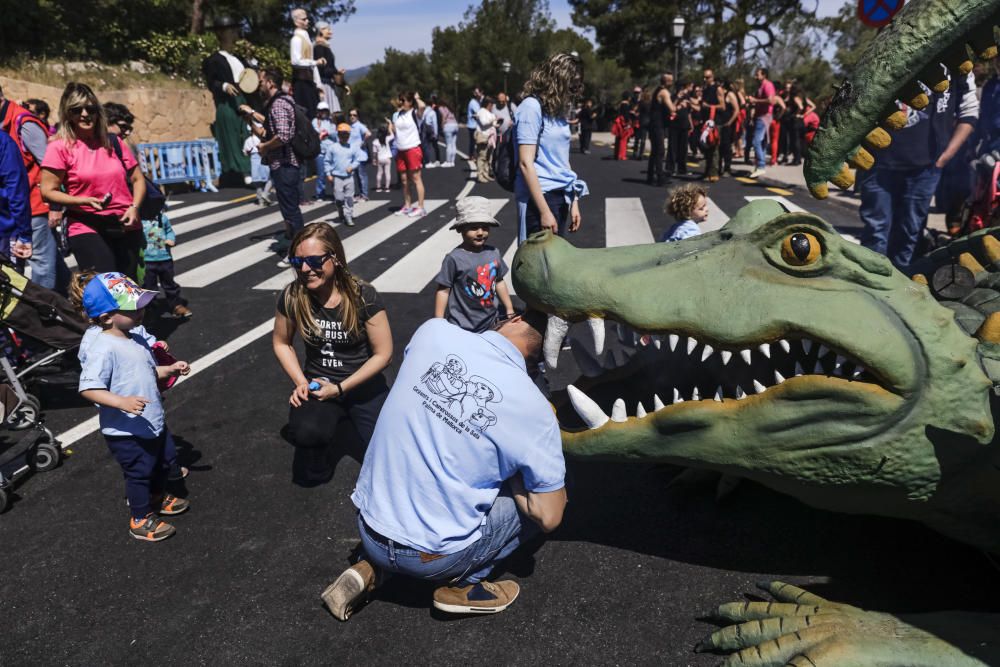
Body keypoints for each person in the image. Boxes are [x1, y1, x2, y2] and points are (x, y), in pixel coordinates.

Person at [321, 305, 565, 619]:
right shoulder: (536, 410)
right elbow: (551, 517)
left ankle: (375, 567)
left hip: (370, 528)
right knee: (549, 490)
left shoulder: (432, 331)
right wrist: (517, 481)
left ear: (513, 319)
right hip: (432, 558)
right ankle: (466, 584)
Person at [272, 224, 393, 485]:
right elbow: (282, 343)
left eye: (315, 260)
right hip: (318, 385)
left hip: (363, 385)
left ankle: (350, 417)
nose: (305, 269)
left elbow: (383, 355)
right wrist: (301, 383)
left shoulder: (363, 295)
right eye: (298, 261)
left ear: (335, 258)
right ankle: (319, 455)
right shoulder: (293, 296)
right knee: (307, 434)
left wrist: (339, 389)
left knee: (391, 455)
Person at [77, 272, 191, 542]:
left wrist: (170, 369)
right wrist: (121, 401)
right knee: (139, 471)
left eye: (140, 304)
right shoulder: (102, 348)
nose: (141, 311)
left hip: (152, 420)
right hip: (125, 430)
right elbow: (88, 387)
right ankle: (140, 517)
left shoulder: (136, 338)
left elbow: (147, 371)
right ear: (106, 317)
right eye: (132, 307)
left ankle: (156, 496)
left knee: (165, 462)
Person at [859, 71, 978, 269]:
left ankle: (901, 288)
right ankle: (869, 285)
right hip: (879, 163)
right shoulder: (886, 56)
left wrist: (946, 155)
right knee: (876, 231)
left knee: (909, 233)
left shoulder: (959, 62)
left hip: (926, 167)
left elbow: (969, 113)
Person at [40, 83, 146, 279]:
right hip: (86, 224)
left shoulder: (112, 141)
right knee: (107, 287)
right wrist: (83, 200)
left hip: (125, 223)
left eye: (91, 108)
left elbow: (138, 179)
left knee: (130, 290)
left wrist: (134, 207)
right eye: (77, 109)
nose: (85, 114)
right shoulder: (59, 147)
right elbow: (47, 190)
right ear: (67, 113)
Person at [515, 53, 589, 242]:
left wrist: (573, 200)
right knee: (539, 267)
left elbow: (562, 161)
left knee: (555, 265)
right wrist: (545, 211)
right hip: (540, 197)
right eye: (573, 83)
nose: (576, 89)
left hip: (560, 194)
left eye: (578, 84)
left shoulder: (556, 111)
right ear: (558, 79)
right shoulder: (531, 107)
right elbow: (525, 163)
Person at [239, 69, 303, 259]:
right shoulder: (276, 104)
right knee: (288, 210)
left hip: (285, 165)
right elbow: (268, 132)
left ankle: (300, 253)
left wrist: (265, 147)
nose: (259, 85)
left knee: (291, 211)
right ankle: (293, 243)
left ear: (271, 83)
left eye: (262, 81)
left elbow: (282, 136)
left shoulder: (279, 105)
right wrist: (250, 121)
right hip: (280, 166)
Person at [434, 196, 514, 333]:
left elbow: (499, 281)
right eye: (474, 228)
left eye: (484, 227)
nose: (480, 233)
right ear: (460, 229)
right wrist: (438, 322)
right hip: (461, 326)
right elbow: (443, 290)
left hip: (491, 322)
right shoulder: (454, 258)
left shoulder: (493, 253)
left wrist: (509, 308)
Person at [1, 85, 52, 282]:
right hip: (14, 218)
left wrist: (55, 204)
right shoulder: (4, 138)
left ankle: (52, 309)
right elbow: (14, 185)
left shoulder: (23, 122)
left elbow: (49, 165)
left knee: (43, 263)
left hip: (32, 207)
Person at [201, 15, 252, 185]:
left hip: (242, 98)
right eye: (230, 30)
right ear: (222, 33)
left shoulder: (240, 58)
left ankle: (249, 169)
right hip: (227, 103)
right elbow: (211, 82)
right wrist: (223, 86)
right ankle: (242, 171)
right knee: (231, 135)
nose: (234, 33)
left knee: (246, 132)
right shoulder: (213, 60)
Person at [142, 210, 192, 319]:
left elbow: (169, 230)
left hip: (164, 258)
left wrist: (171, 239)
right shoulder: (138, 219)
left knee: (170, 284)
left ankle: (176, 305)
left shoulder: (161, 218)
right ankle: (150, 310)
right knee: (149, 286)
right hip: (147, 259)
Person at [389, 92, 427, 218]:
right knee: (404, 181)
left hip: (413, 149)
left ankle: (421, 207)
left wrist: (417, 98)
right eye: (400, 100)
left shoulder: (415, 114)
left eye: (403, 100)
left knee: (416, 179)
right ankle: (407, 205)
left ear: (410, 102)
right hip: (401, 150)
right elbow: (395, 131)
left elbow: (422, 106)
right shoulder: (397, 115)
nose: (401, 102)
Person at [324, 122, 365, 227]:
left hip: (349, 177)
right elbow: (327, 161)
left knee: (349, 197)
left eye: (347, 134)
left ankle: (348, 216)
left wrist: (352, 166)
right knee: (339, 198)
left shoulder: (352, 147)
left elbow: (357, 159)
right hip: (337, 177)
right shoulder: (332, 147)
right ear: (338, 135)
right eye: (342, 134)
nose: (345, 136)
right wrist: (328, 173)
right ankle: (340, 210)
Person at [0, 130, 32, 261]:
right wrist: (24, 233)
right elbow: (16, 188)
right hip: (5, 231)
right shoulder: (3, 141)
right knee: (11, 280)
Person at [289, 7, 324, 119]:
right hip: (301, 83)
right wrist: (314, 62)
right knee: (306, 115)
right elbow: (295, 61)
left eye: (307, 19)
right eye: (304, 19)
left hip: (309, 83)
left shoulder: (306, 38)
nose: (307, 21)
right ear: (296, 22)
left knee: (314, 113)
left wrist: (318, 84)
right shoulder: (296, 39)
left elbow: (312, 64)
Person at [746, 67, 777, 178]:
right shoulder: (760, 86)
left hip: (764, 116)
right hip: (760, 116)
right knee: (762, 142)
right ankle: (759, 166)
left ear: (764, 75)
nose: (755, 76)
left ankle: (761, 166)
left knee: (756, 142)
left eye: (757, 74)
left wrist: (755, 100)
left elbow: (770, 100)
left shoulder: (767, 85)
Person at [313, 21, 347, 114]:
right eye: (328, 29)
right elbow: (322, 70)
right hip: (324, 86)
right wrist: (335, 72)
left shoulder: (324, 47)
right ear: (321, 31)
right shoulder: (319, 48)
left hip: (328, 85)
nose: (330, 31)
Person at [702, 69, 725, 182]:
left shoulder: (718, 89)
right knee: (706, 147)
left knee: (714, 147)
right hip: (706, 121)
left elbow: (723, 106)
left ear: (712, 77)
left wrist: (709, 106)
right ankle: (707, 171)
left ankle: (714, 172)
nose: (705, 79)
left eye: (708, 77)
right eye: (704, 77)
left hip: (716, 121)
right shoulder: (705, 89)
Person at [242, 123, 274, 206]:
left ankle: (260, 199)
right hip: (263, 158)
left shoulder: (248, 140)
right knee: (270, 178)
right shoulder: (263, 139)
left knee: (257, 181)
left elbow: (245, 152)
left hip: (254, 159)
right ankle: (265, 194)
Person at [311, 102, 335, 200]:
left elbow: (335, 133)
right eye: (321, 110)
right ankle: (320, 194)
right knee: (321, 174)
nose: (323, 112)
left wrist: (326, 133)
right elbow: (316, 132)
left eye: (325, 110)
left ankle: (336, 193)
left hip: (332, 151)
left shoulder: (331, 121)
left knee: (334, 173)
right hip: (320, 151)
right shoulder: (315, 121)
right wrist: (323, 132)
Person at [348, 109, 371, 200]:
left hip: (360, 155)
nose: (352, 116)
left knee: (362, 175)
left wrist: (363, 142)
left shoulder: (359, 126)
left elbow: (368, 133)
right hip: (353, 156)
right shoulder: (351, 126)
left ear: (358, 116)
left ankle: (364, 194)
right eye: (350, 115)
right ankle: (361, 193)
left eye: (354, 115)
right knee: (357, 176)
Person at [474, 97, 499, 183]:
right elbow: (484, 122)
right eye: (492, 105)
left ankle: (486, 173)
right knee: (482, 156)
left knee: (489, 157)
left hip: (490, 137)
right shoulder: (481, 112)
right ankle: (480, 175)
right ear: (488, 104)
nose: (492, 107)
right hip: (483, 136)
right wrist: (494, 119)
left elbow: (493, 124)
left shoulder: (489, 113)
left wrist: (497, 122)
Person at [438, 98, 459, 167]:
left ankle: (448, 161)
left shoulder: (441, 108)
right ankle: (452, 161)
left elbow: (444, 116)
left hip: (448, 126)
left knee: (449, 145)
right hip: (455, 125)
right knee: (453, 144)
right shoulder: (450, 108)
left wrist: (442, 126)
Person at [371, 126, 393, 193]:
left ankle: (378, 188)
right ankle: (387, 188)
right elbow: (393, 135)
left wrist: (374, 160)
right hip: (387, 158)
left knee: (379, 173)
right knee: (387, 173)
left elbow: (374, 152)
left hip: (380, 159)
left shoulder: (375, 142)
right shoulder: (387, 139)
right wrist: (390, 126)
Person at [421, 99, 440, 169]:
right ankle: (431, 161)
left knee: (424, 145)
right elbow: (435, 123)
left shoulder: (423, 111)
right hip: (430, 129)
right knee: (432, 145)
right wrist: (436, 133)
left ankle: (424, 161)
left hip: (423, 128)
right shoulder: (432, 112)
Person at [632, 89, 651, 160]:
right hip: (649, 121)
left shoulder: (641, 102)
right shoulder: (651, 103)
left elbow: (635, 110)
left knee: (637, 137)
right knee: (643, 139)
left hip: (641, 121)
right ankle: (641, 154)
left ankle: (635, 152)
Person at [466, 87, 483, 157]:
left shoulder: (477, 102)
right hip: (472, 125)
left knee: (475, 141)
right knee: (473, 142)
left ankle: (472, 155)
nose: (477, 94)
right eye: (476, 92)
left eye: (479, 92)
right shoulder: (473, 102)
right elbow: (479, 112)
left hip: (475, 125)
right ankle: (471, 155)